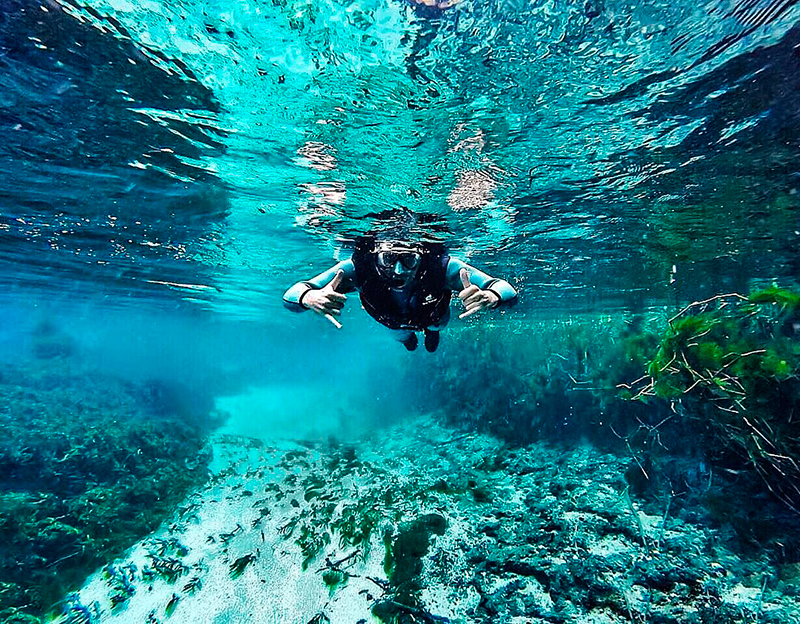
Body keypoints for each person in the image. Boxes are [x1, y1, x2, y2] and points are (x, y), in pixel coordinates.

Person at [283, 236, 517, 352]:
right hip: (392, 322)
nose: (398, 270)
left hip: (433, 316)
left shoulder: (442, 268)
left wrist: (492, 297)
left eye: (408, 258)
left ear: (422, 256)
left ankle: (431, 335)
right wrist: (308, 298)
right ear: (375, 256)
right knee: (403, 338)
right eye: (388, 258)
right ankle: (411, 341)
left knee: (436, 327)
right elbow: (291, 296)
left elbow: (507, 290)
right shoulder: (357, 270)